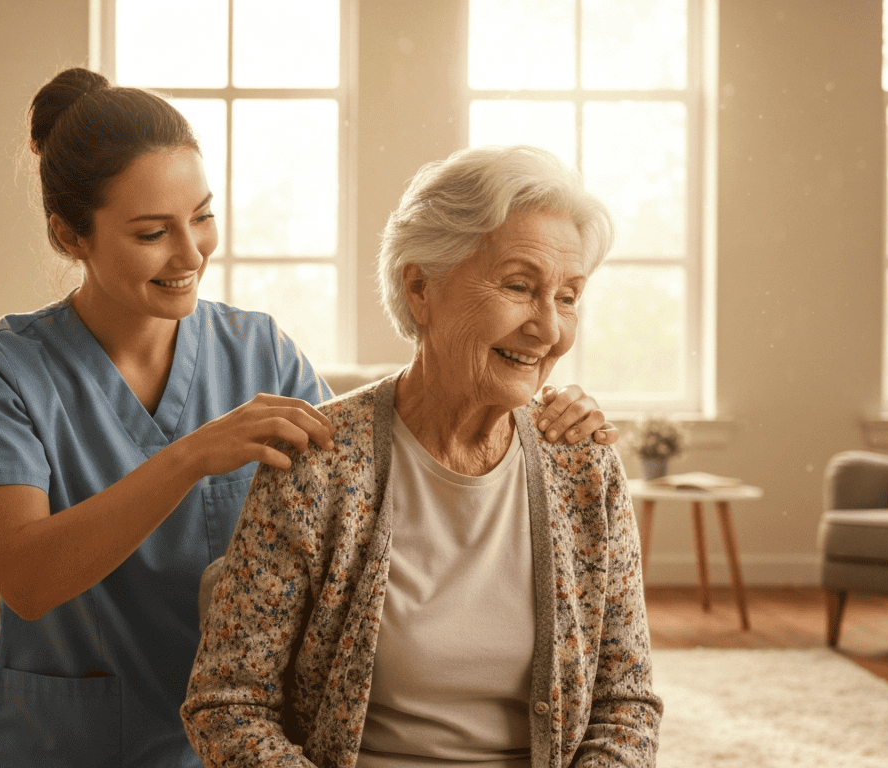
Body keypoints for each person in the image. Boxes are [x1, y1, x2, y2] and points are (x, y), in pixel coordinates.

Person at [0, 68, 620, 767]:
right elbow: (27, 579)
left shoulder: (259, 349)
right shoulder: (1, 369)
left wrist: (536, 412)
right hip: (65, 741)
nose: (191, 252)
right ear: (69, 235)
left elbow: (368, 490)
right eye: (152, 232)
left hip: (234, 742)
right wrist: (189, 457)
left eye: (202, 217)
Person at [182, 145, 662, 767]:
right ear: (420, 289)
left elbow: (626, 705)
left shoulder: (583, 465)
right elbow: (228, 703)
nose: (548, 328)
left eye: (568, 297)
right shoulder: (320, 462)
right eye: (519, 287)